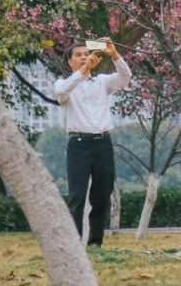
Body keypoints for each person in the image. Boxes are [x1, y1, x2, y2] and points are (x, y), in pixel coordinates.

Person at [53, 38, 131, 247]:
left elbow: (125, 77)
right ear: (69, 62)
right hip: (78, 145)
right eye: (78, 55)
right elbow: (61, 94)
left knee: (101, 195)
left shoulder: (102, 82)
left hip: (103, 144)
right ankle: (75, 244)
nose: (84, 58)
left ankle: (95, 242)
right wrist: (83, 71)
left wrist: (114, 54)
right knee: (77, 196)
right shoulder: (63, 84)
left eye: (86, 54)